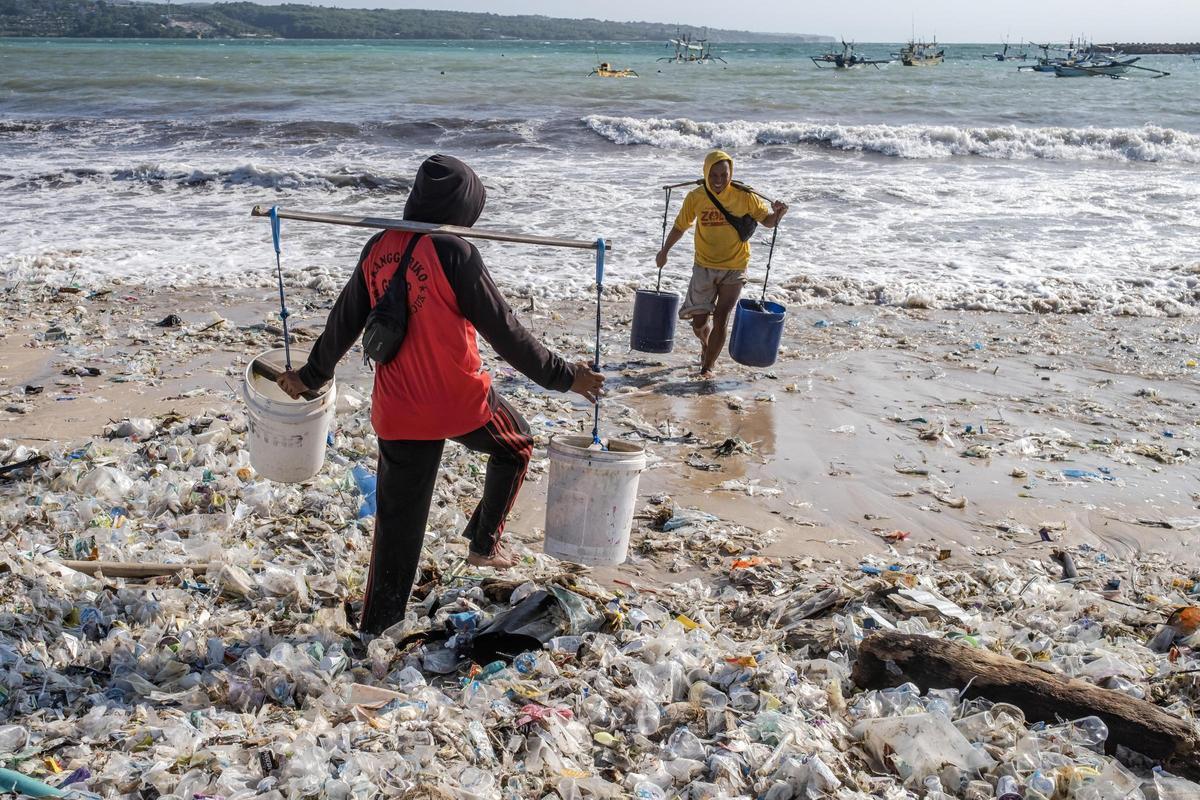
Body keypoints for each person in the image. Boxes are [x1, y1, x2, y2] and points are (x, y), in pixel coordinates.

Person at [275, 154, 604, 635]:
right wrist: (565, 376)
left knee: (397, 528)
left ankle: (377, 629)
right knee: (515, 446)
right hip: (459, 402)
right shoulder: (456, 254)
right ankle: (484, 544)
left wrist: (310, 376)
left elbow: (342, 322)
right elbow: (507, 333)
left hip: (399, 408)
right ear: (464, 204)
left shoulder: (378, 245)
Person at [655, 150, 788, 376]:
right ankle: (706, 345)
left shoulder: (745, 196)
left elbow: (767, 221)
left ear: (731, 173)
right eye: (714, 175)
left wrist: (778, 214)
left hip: (735, 266)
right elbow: (680, 226)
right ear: (706, 172)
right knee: (699, 323)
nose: (719, 180)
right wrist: (664, 251)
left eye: (723, 175)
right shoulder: (696, 197)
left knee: (721, 317)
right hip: (704, 265)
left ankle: (708, 366)